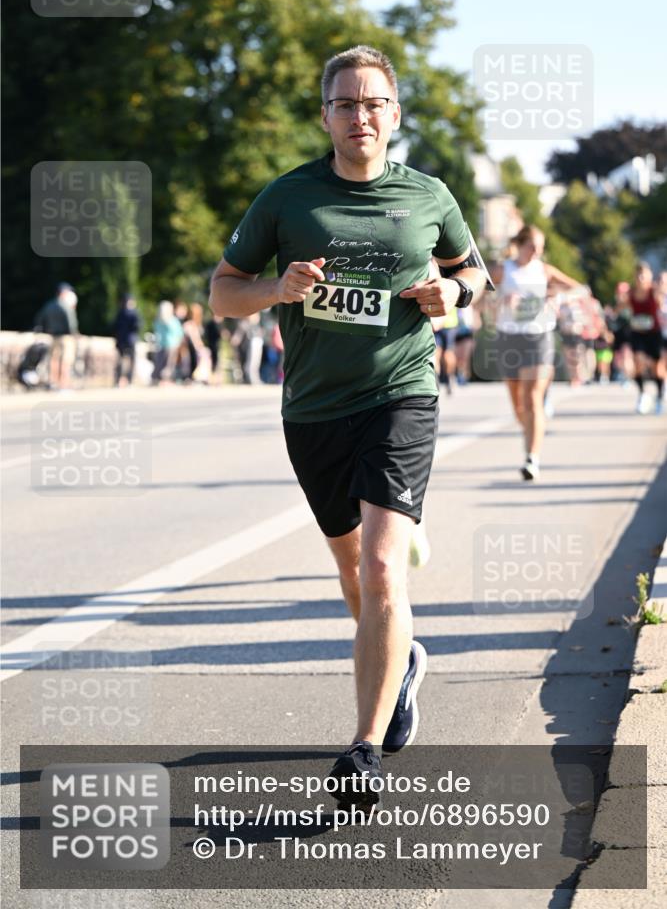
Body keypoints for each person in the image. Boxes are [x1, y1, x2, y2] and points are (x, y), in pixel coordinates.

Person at [209, 45, 492, 808]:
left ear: (394, 115)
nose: (359, 115)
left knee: (378, 567)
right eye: (344, 103)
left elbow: (475, 272)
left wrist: (451, 297)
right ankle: (399, 662)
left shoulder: (428, 194)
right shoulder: (288, 198)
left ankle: (362, 747)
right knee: (349, 570)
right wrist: (276, 287)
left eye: (373, 103)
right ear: (325, 114)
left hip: (400, 394)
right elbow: (222, 296)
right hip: (313, 410)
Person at [493, 225, 583, 481]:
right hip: (509, 337)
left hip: (539, 336)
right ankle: (532, 429)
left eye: (540, 249)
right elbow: (479, 292)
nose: (536, 253)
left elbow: (579, 289)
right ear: (520, 245)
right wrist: (501, 301)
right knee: (518, 402)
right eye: (532, 247)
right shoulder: (503, 269)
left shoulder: (544, 270)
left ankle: (532, 458)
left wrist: (557, 298)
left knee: (533, 397)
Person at [625, 262, 664, 414]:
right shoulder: (631, 293)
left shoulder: (654, 290)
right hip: (637, 333)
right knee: (638, 363)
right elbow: (623, 306)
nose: (641, 277)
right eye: (639, 274)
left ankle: (660, 396)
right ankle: (643, 394)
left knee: (657, 370)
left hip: (654, 334)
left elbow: (661, 304)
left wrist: (660, 296)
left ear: (649, 276)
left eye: (644, 274)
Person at [33, 282, 79, 390]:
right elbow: (72, 323)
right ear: (63, 293)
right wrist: (75, 333)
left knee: (54, 359)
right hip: (66, 337)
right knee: (66, 360)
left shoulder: (49, 305)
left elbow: (39, 319)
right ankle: (64, 384)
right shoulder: (66, 306)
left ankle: (54, 382)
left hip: (53, 336)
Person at [151, 300, 184, 385]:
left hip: (167, 345)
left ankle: (162, 379)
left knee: (165, 363)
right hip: (166, 345)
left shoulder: (168, 321)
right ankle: (160, 379)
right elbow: (179, 333)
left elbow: (179, 333)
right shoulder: (165, 320)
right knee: (164, 363)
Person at [111, 293, 141, 387]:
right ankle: (122, 381)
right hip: (125, 340)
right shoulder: (127, 313)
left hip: (126, 340)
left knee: (127, 362)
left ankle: (125, 380)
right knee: (123, 362)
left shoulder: (127, 313)